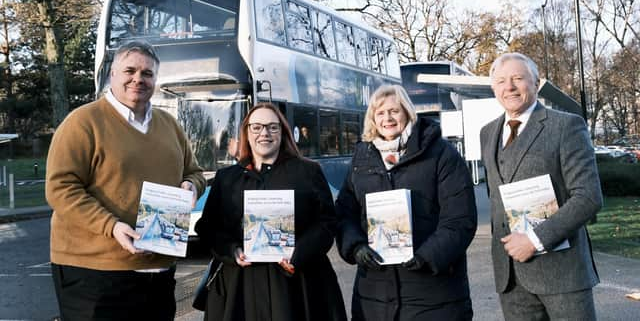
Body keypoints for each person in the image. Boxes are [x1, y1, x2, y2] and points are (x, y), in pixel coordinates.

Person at [45, 41, 206, 321]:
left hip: (159, 273)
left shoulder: (170, 125)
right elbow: (60, 189)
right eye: (129, 71)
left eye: (147, 74)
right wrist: (111, 226)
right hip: (95, 275)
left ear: (156, 79)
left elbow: (194, 172)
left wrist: (192, 186)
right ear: (112, 75)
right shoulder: (82, 122)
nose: (138, 79)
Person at [335, 85, 477, 321]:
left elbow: (460, 219)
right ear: (372, 119)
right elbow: (344, 214)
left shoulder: (441, 154)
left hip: (433, 293)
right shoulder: (361, 159)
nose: (387, 118)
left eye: (394, 111)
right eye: (380, 113)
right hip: (375, 295)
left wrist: (427, 256)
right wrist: (355, 246)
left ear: (408, 113)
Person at [195, 103, 347, 321]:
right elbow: (208, 227)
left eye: (272, 127)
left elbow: (327, 222)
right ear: (246, 133)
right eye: (256, 127)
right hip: (240, 287)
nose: (264, 133)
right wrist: (231, 250)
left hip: (297, 284)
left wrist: (300, 251)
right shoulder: (227, 178)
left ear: (282, 132)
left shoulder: (308, 171)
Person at [480, 52, 603, 320]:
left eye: (517, 78)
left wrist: (534, 240)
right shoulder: (487, 133)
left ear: (536, 83)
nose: (509, 87)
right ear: (493, 89)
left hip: (562, 273)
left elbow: (588, 197)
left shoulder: (566, 126)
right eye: (501, 81)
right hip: (510, 277)